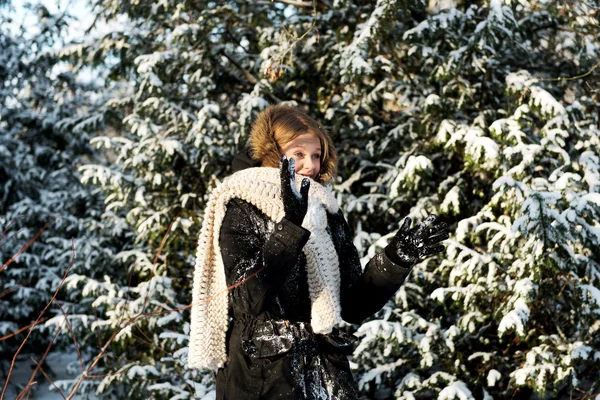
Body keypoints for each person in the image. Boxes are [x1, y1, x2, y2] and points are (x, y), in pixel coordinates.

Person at [188, 104, 449, 399]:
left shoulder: (325, 209)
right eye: (298, 154)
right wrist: (291, 225)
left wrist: (396, 259)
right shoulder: (240, 206)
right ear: (273, 153)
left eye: (316, 155)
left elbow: (352, 304)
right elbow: (250, 297)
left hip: (324, 375)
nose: (310, 166)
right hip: (261, 378)